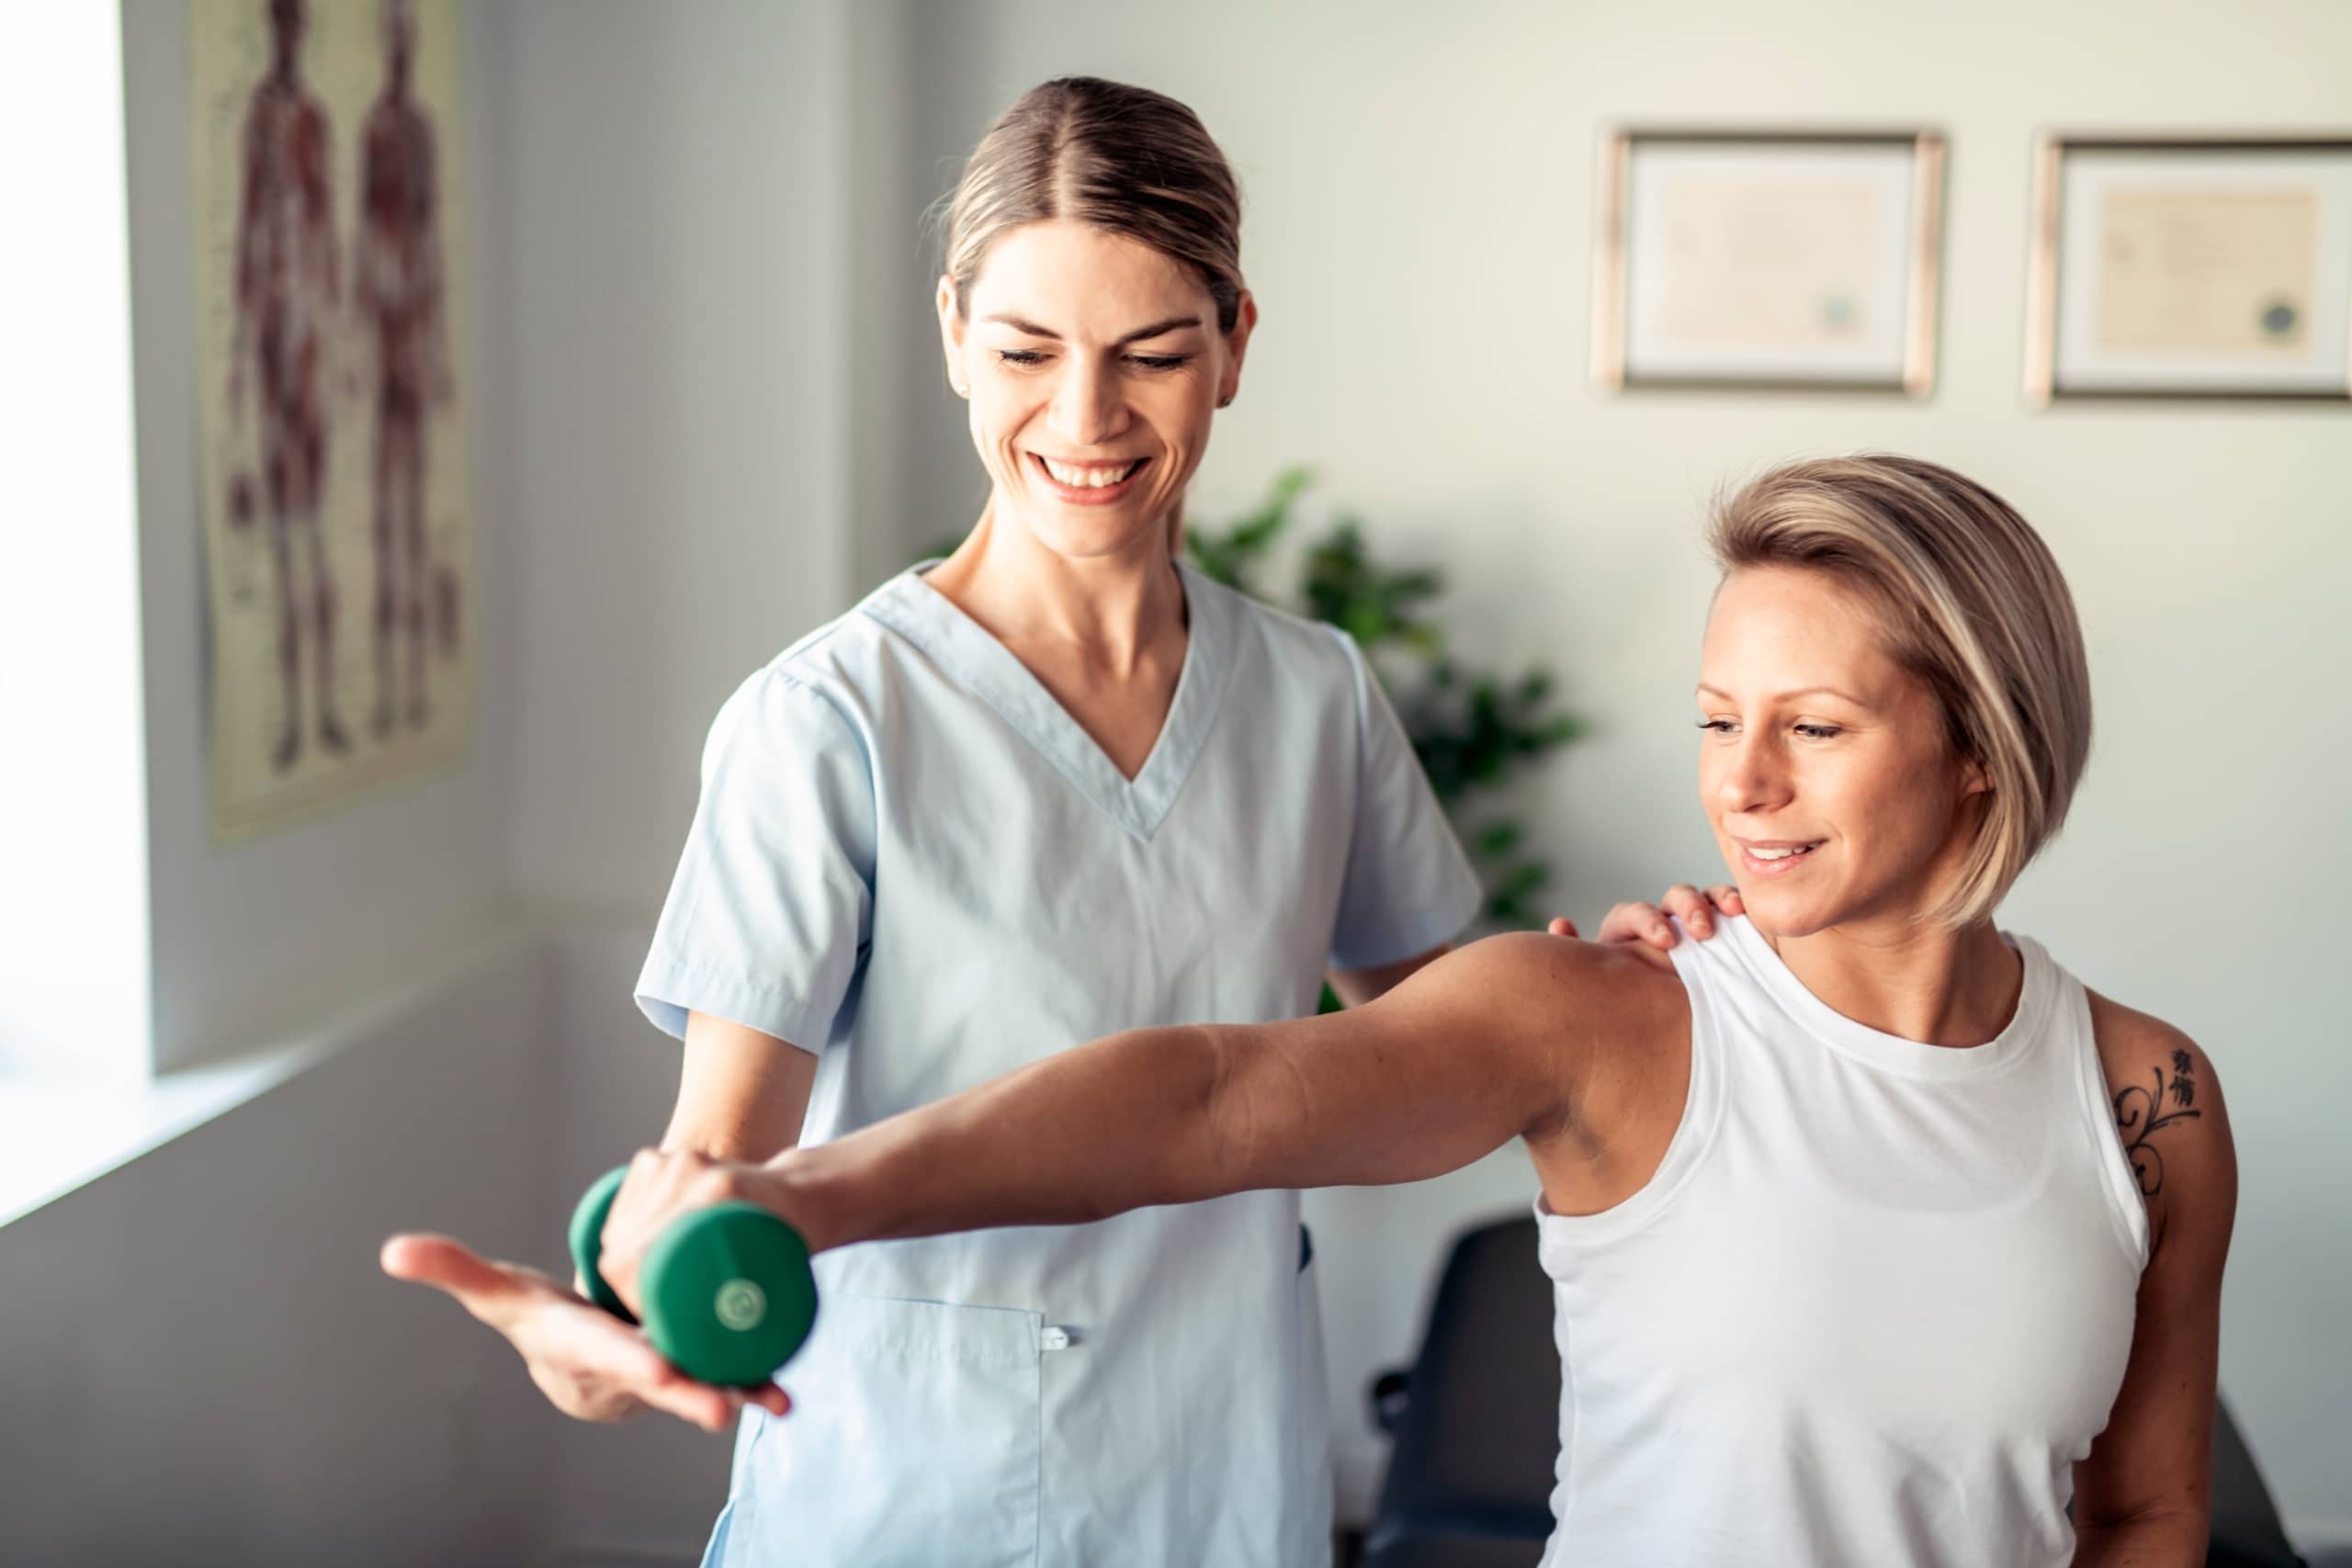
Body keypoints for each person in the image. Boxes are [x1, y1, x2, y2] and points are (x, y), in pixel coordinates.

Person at [380, 76, 1717, 1567]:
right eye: (1027, 351)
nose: (1085, 419)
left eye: (1151, 353)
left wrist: (1603, 992)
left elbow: (1437, 1049)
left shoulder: (1312, 694)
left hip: (1224, 1477)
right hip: (903, 1493)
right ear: (956, 333)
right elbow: (714, 1169)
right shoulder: (829, 722)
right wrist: (612, 1329)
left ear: (1234, 345)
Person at [579, 456, 2237, 1568]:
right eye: (1720, 716)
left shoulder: (2148, 1096)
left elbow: (2149, 1505)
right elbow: (1209, 1102)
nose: (1740, 783)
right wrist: (798, 1192)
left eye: (1814, 725)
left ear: (1980, 745)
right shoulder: (1610, 1018)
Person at [228, 0, 349, 771]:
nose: (289, 36)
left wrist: (334, 346)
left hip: (308, 352)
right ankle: (296, 715)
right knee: (287, 535)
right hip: (276, 347)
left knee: (315, 533)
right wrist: (246, 363)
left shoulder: (315, 119)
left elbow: (329, 234)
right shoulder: (261, 120)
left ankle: (324, 705)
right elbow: (250, 233)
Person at [353, 0, 452, 737]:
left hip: (412, 328)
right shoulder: (374, 131)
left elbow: (429, 237)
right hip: (384, 328)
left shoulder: (416, 132)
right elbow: (364, 233)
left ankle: (414, 684)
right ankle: (386, 684)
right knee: (385, 514)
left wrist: (435, 352)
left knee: (413, 511)